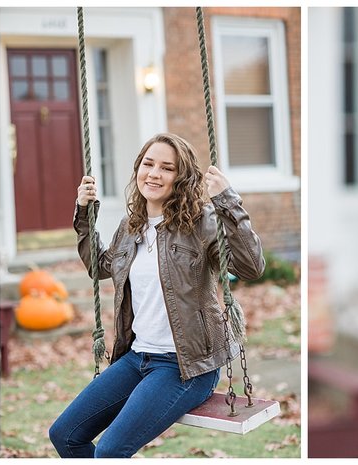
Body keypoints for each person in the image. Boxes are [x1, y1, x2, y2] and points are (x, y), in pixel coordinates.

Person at [49, 133, 265, 458]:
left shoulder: (202, 222)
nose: (154, 174)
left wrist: (228, 202)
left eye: (167, 168)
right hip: (137, 358)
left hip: (186, 365)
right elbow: (101, 267)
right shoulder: (130, 227)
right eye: (148, 164)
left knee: (108, 452)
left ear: (181, 177)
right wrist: (83, 214)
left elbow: (252, 267)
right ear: (138, 168)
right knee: (64, 435)